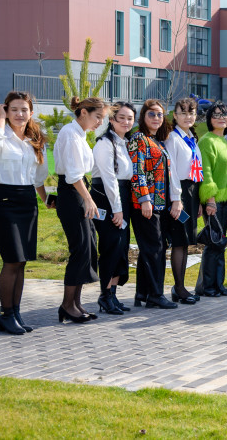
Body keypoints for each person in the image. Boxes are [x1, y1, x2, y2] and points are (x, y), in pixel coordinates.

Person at [0, 91, 51, 334]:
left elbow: (39, 176)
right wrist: (0, 117)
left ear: (31, 113)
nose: (19, 114)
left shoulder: (35, 139)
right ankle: (5, 315)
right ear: (6, 110)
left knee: (22, 261)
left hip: (27, 201)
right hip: (3, 200)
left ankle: (15, 312)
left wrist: (45, 199)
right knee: (12, 259)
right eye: (13, 109)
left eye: (24, 110)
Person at [53, 96, 105, 323]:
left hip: (79, 191)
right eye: (97, 117)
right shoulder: (70, 134)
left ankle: (75, 303)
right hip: (73, 193)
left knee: (88, 247)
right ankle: (67, 305)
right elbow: (73, 175)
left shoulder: (80, 134)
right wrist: (88, 199)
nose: (99, 123)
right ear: (83, 112)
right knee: (80, 248)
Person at [129, 99, 180, 309]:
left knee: (152, 248)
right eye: (152, 114)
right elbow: (137, 171)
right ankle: (156, 294)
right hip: (146, 204)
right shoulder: (139, 138)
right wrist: (145, 200)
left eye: (160, 114)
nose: (157, 118)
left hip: (160, 203)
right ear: (143, 116)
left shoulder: (157, 141)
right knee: (155, 248)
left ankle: (143, 293)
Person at [91, 101, 136, 315]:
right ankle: (105, 295)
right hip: (106, 198)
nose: (126, 122)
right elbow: (109, 179)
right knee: (111, 245)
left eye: (130, 118)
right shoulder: (105, 143)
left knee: (121, 247)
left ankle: (113, 294)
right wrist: (117, 209)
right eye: (122, 118)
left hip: (123, 196)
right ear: (111, 120)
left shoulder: (125, 143)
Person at [196, 102, 227, 297]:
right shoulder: (207, 141)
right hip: (214, 201)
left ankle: (218, 285)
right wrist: (210, 200)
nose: (221, 118)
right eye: (216, 115)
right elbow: (206, 173)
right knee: (213, 244)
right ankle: (207, 286)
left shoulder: (223, 140)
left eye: (224, 114)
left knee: (220, 244)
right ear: (209, 119)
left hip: (225, 200)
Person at [165, 97, 202, 304]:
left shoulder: (191, 137)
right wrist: (176, 199)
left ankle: (181, 287)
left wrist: (198, 200)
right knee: (179, 241)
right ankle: (178, 288)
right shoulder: (173, 137)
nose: (188, 117)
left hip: (192, 192)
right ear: (175, 115)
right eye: (183, 112)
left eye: (191, 113)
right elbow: (171, 170)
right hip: (179, 192)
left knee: (186, 242)